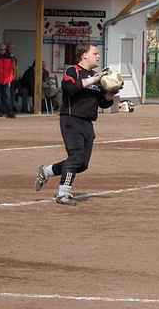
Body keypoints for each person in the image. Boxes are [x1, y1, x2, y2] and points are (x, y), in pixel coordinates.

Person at [34, 44, 117, 206]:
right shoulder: (73, 71)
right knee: (76, 157)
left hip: (87, 122)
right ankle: (63, 193)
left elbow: (103, 103)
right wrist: (96, 78)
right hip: (71, 119)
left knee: (82, 164)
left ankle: (46, 171)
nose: (98, 56)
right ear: (84, 55)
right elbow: (70, 88)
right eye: (95, 53)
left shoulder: (96, 76)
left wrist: (110, 93)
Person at [0, 43, 16, 118]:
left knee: (7, 96)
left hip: (7, 79)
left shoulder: (10, 57)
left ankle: (9, 112)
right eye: (1, 49)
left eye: (4, 49)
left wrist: (13, 77)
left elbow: (14, 68)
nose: (3, 51)